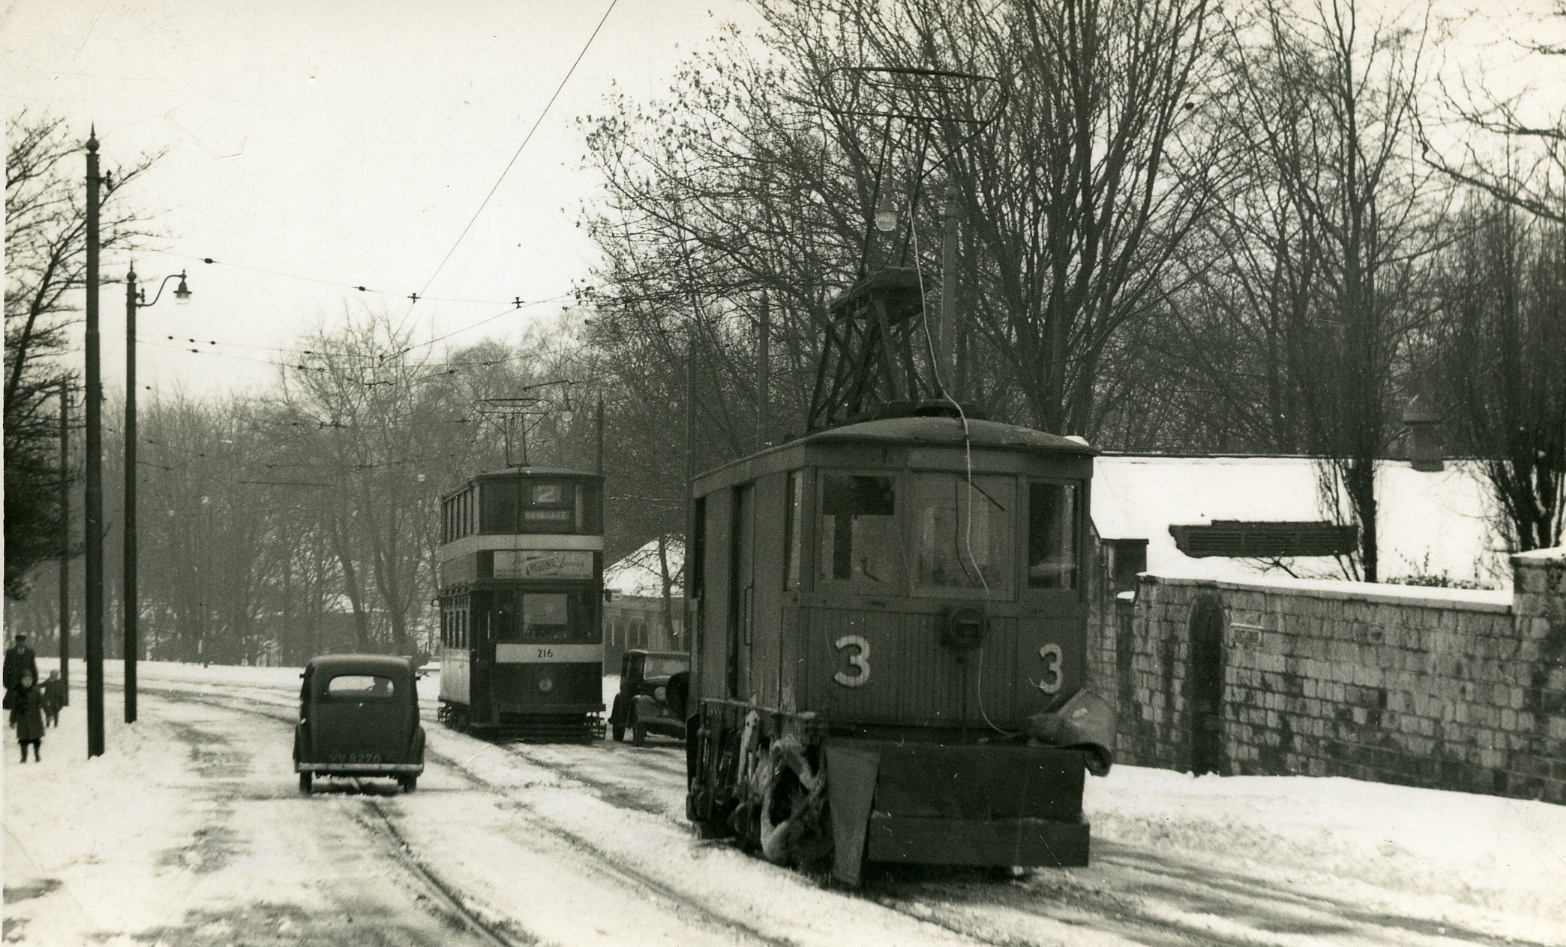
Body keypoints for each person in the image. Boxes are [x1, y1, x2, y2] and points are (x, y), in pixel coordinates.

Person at [10, 672, 44, 763]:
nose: (27, 682)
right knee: (23, 739)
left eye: (29, 679)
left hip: (35, 718)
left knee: (36, 739)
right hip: (23, 719)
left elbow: (44, 703)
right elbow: (15, 708)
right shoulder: (17, 693)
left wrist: (49, 713)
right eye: (25, 680)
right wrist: (12, 721)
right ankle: (23, 757)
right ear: (21, 681)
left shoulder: (36, 691)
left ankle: (37, 755)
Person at [3, 633, 38, 712]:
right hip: (14, 681)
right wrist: (6, 681)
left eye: (23, 641)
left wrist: (35, 679)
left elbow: (33, 667)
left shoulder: (30, 652)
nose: (21, 643)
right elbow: (6, 668)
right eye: (19, 641)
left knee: (27, 702)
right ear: (16, 642)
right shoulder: (10, 652)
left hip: (26, 681)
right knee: (11, 704)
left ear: (25, 642)